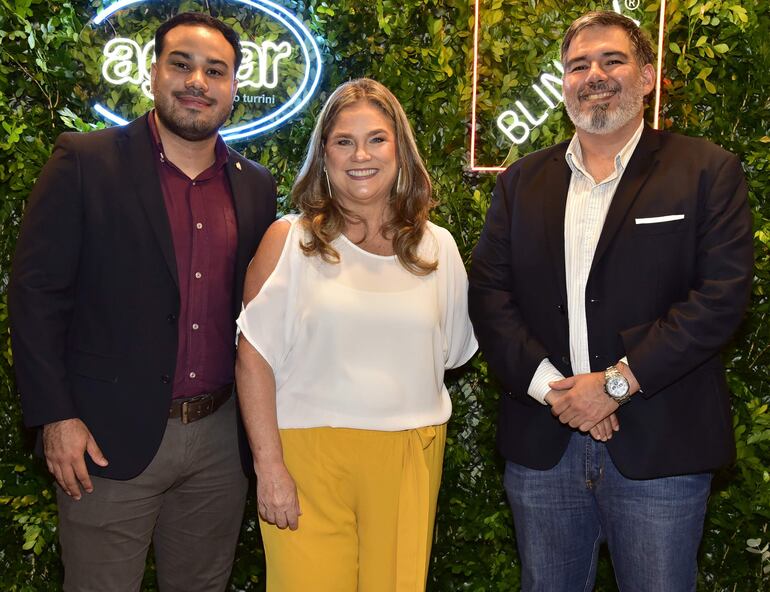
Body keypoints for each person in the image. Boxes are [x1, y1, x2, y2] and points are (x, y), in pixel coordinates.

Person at [468, 10, 753, 592]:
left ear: (647, 76)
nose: (594, 74)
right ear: (564, 83)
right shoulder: (520, 182)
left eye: (612, 60)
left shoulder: (705, 170)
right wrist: (558, 392)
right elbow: (490, 298)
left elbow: (720, 298)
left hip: (661, 449)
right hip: (544, 447)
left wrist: (615, 385)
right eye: (578, 65)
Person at [9, 12, 277, 591]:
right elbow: (36, 296)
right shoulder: (86, 161)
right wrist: (55, 416)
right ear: (153, 72)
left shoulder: (255, 185)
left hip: (218, 443)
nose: (197, 82)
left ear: (234, 86)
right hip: (104, 441)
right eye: (181, 64)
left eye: (216, 70)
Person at [235, 78, 477, 591]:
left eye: (376, 139)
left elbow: (452, 352)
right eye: (344, 141)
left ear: (400, 150)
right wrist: (268, 466)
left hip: (410, 453)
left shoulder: (440, 250)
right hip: (304, 461)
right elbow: (251, 357)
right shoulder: (289, 241)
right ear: (324, 154)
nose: (360, 154)